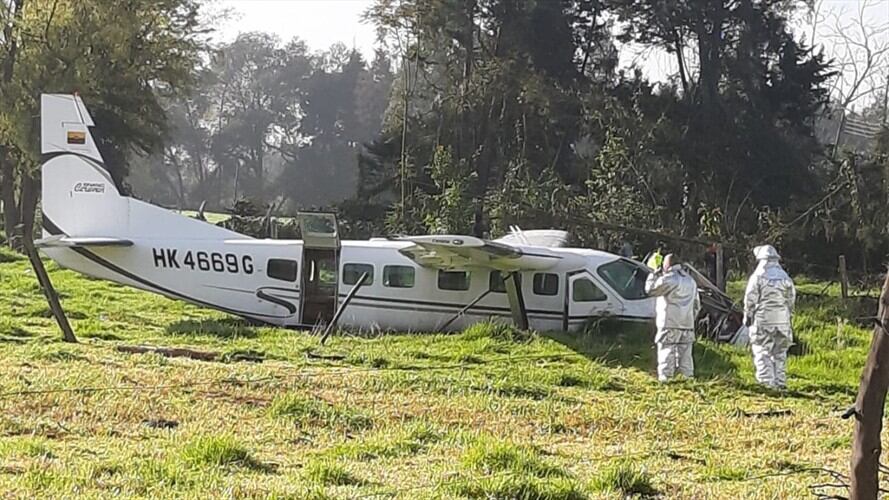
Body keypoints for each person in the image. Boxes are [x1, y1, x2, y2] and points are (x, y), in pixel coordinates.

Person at [744, 245, 796, 390]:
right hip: (782, 321)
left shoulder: (758, 276)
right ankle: (780, 381)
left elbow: (750, 298)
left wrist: (747, 315)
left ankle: (767, 383)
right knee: (780, 353)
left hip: (763, 320)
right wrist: (788, 314)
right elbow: (791, 299)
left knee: (762, 350)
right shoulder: (785, 277)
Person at [645, 254, 701, 382]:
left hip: (669, 322)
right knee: (686, 354)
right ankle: (688, 378)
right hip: (687, 323)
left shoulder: (670, 278)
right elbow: (697, 304)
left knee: (667, 350)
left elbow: (651, 290)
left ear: (667, 264)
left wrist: (654, 274)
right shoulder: (690, 280)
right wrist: (692, 318)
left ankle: (666, 379)